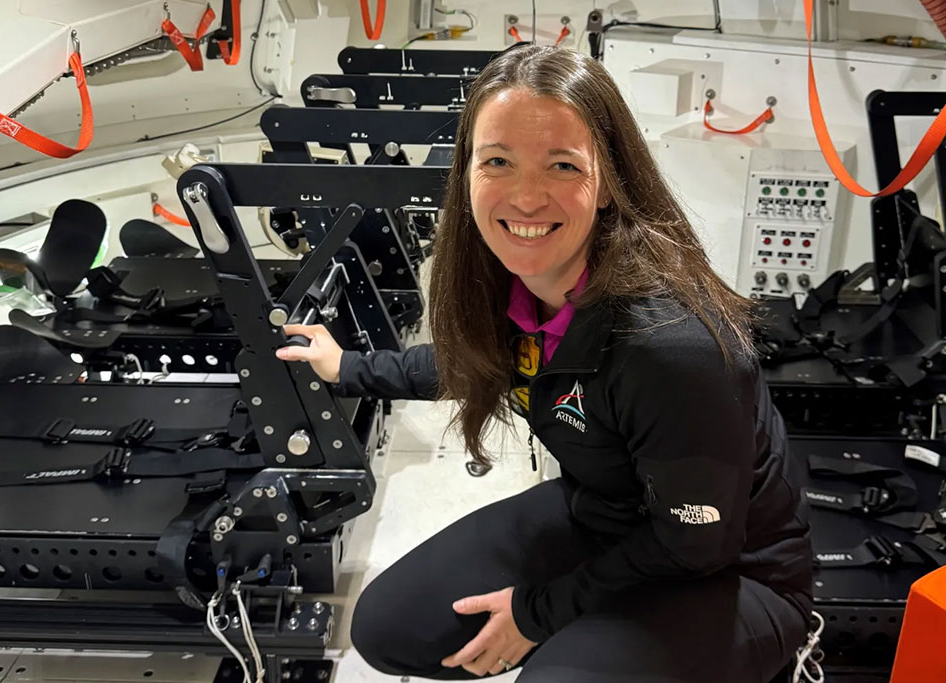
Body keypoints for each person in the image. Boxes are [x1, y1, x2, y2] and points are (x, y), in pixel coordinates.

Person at [276, 45, 813, 683]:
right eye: (498, 161)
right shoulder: (522, 288)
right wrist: (351, 367)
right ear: (467, 172)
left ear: (609, 181)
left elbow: (696, 542)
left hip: (732, 569)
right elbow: (475, 362)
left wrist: (539, 612)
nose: (526, 197)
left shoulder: (672, 347)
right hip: (611, 514)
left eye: (562, 165)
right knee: (387, 627)